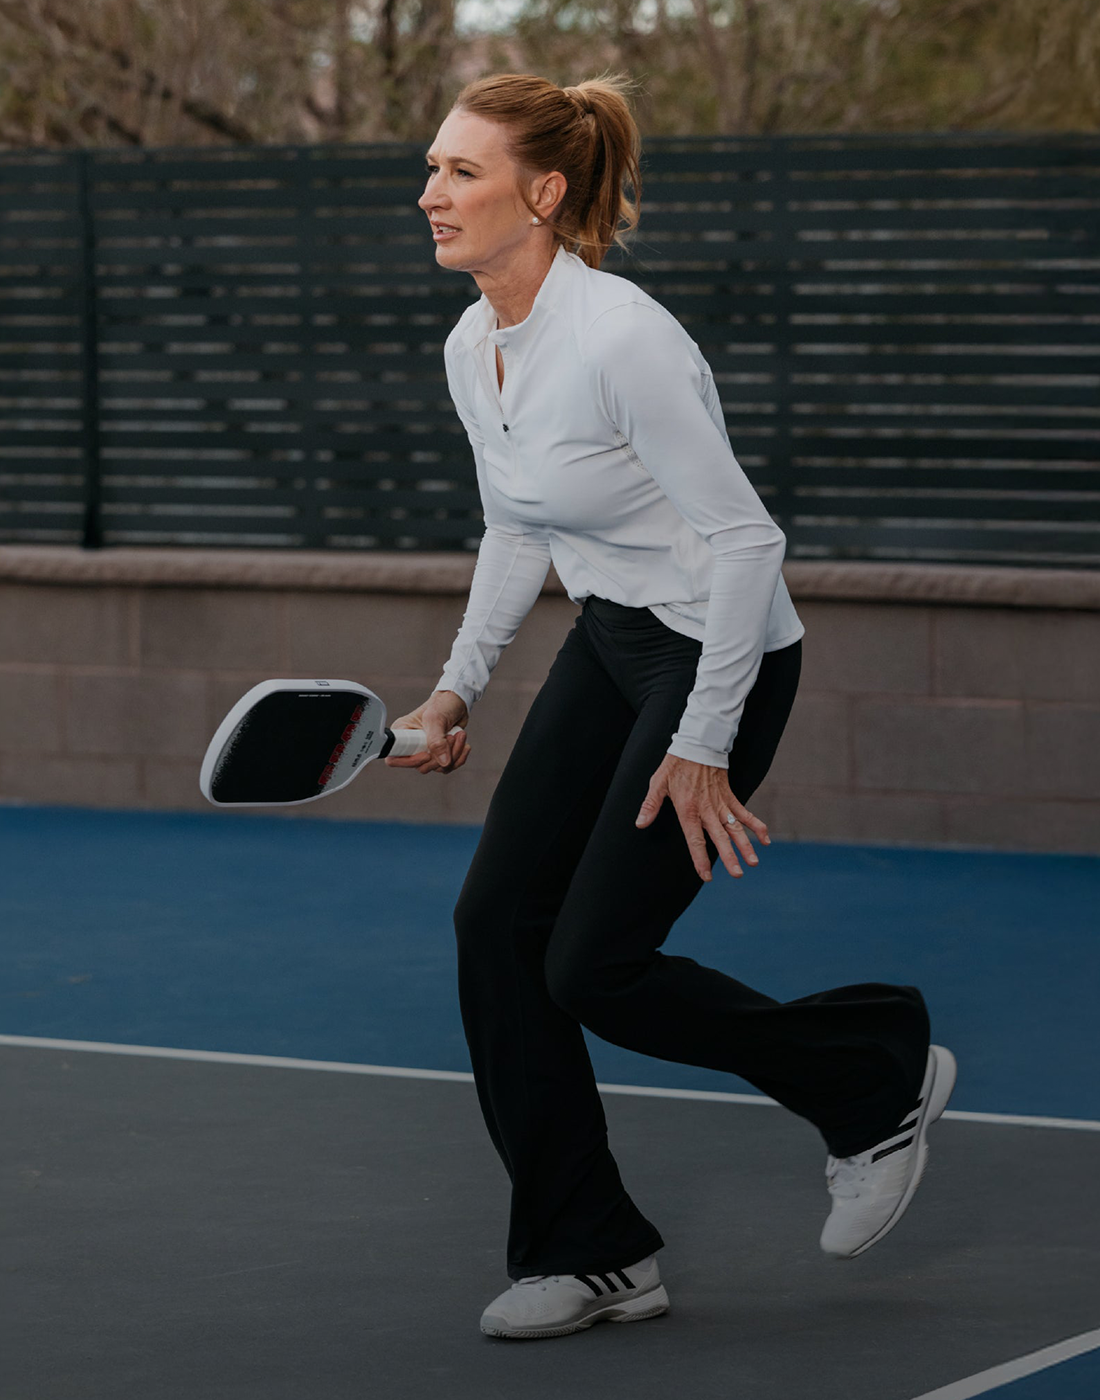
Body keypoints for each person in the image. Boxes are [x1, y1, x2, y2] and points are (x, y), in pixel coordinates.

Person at [385, 69, 957, 1341]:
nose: (428, 192)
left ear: (542, 193)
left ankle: (871, 1078)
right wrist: (454, 684)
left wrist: (703, 744)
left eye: (458, 172)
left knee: (592, 962)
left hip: (725, 646)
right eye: (431, 166)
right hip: (614, 640)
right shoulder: (471, 344)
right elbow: (511, 527)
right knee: (495, 926)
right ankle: (591, 1251)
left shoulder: (621, 337)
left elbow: (746, 545)